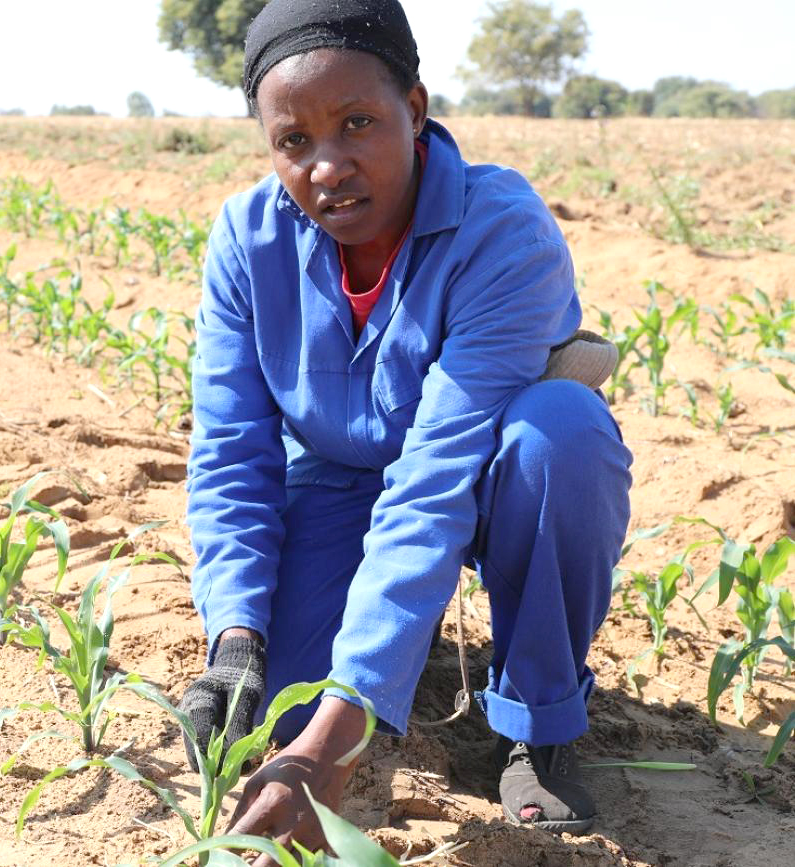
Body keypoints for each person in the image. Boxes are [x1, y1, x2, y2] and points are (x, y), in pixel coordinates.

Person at [179, 0, 634, 855]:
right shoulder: (247, 243)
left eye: (358, 123)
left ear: (415, 110)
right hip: (340, 483)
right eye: (294, 142)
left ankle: (538, 718)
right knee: (289, 704)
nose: (327, 165)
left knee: (560, 431)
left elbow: (437, 477)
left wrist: (338, 743)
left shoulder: (501, 231)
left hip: (491, 471)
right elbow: (233, 454)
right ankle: (382, 648)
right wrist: (235, 635)